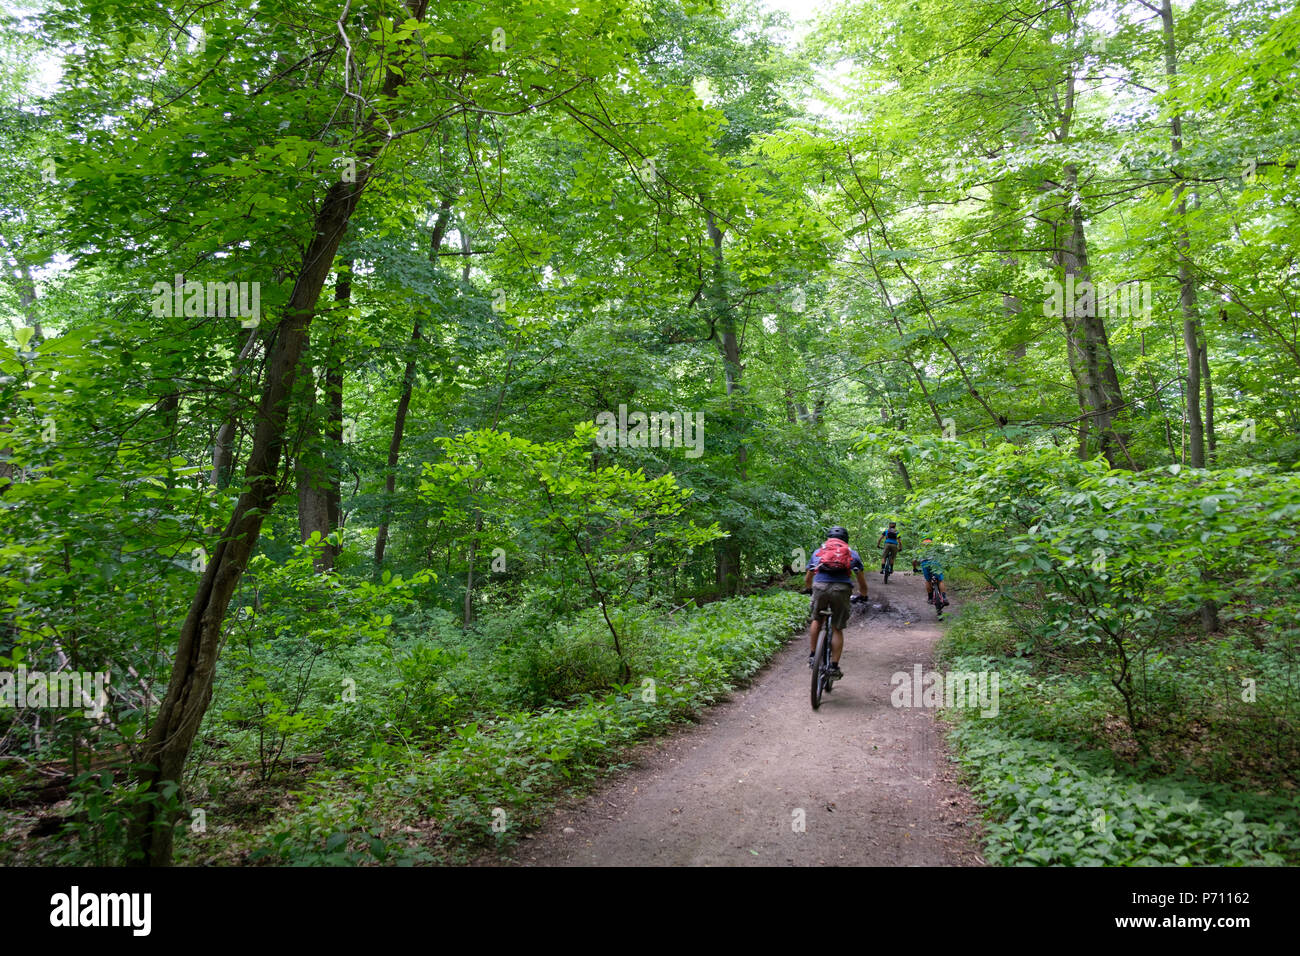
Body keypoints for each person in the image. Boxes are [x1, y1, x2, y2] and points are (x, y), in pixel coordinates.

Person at [804, 526, 870, 679]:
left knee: (817, 619)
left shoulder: (819, 551)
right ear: (845, 539)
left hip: (820, 587)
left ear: (828, 538)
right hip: (841, 589)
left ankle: (813, 656)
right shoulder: (851, 553)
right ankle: (833, 667)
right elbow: (862, 581)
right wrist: (863, 595)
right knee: (837, 628)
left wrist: (809, 589)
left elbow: (808, 578)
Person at [913, 537, 949, 607]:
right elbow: (943, 556)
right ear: (931, 540)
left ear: (922, 540)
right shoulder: (935, 546)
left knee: (928, 580)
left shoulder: (920, 548)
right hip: (935, 563)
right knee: (940, 581)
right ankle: (944, 598)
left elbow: (914, 561)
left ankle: (930, 598)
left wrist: (914, 568)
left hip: (925, 564)